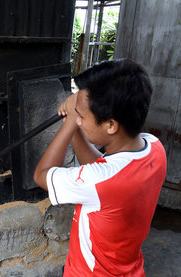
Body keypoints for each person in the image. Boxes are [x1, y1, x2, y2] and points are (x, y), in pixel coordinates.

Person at [33, 59, 167, 276]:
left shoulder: (99, 182)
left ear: (111, 125)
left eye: (82, 117)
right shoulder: (154, 147)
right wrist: (77, 122)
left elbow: (41, 175)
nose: (79, 120)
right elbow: (103, 170)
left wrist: (68, 124)